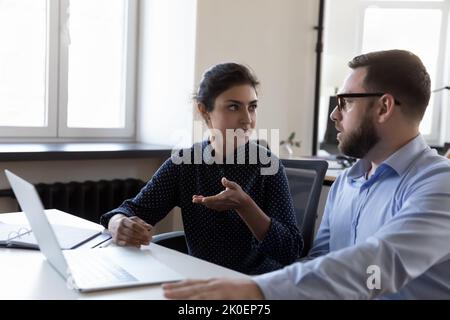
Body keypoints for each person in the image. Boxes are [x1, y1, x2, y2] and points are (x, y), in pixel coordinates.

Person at [163, 50, 450, 299]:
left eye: (345, 102)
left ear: (384, 107)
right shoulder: (347, 183)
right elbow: (318, 262)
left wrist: (257, 291)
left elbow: (379, 266)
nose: (334, 115)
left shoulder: (438, 184)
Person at [100, 62, 302, 275]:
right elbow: (131, 210)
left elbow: (290, 251)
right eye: (234, 106)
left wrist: (245, 206)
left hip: (255, 284)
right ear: (204, 110)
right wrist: (117, 223)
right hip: (201, 280)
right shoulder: (185, 164)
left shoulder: (268, 166)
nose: (247, 119)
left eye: (252, 107)